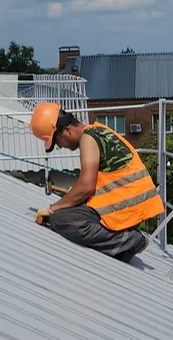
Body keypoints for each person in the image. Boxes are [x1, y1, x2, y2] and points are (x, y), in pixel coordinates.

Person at [28, 102, 165, 262]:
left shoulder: (88, 139)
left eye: (58, 142)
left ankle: (129, 241)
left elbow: (86, 186)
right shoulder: (98, 131)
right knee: (66, 212)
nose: (61, 146)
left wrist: (52, 209)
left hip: (124, 208)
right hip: (128, 205)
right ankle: (121, 244)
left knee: (60, 219)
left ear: (66, 131)